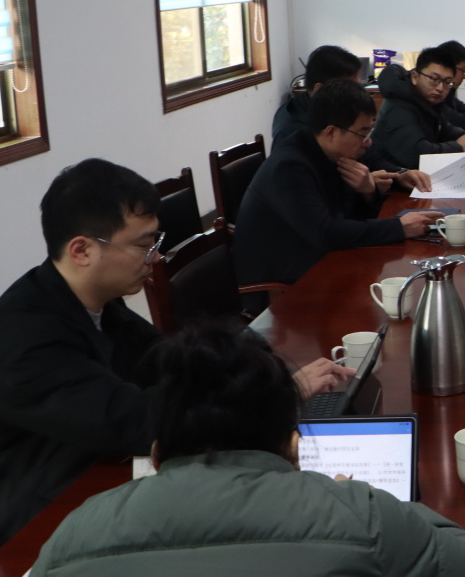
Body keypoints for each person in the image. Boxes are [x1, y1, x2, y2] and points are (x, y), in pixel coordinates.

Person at [0, 160, 350, 544]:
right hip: (36, 512)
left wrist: (263, 376)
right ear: (82, 250)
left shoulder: (98, 300)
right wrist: (271, 400)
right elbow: (136, 419)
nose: (155, 257)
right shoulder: (22, 338)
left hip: (97, 470)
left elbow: (174, 360)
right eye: (142, 245)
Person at [31, 322, 465, 576]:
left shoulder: (73, 536)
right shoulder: (361, 516)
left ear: (155, 455)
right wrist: (374, 501)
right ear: (292, 447)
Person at [235, 79, 441, 286]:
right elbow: (326, 234)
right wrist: (399, 227)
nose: (368, 142)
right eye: (362, 133)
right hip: (282, 281)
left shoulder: (332, 152)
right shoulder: (289, 166)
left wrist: (368, 192)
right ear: (331, 132)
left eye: (370, 131)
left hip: (318, 259)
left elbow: (348, 220)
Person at [273, 44, 430, 192]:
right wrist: (366, 187)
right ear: (320, 90)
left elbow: (368, 155)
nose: (356, 96)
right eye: (348, 89)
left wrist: (399, 174)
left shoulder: (340, 115)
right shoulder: (293, 132)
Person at [375, 47, 465, 168]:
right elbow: (417, 155)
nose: (440, 88)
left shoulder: (426, 100)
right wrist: (458, 147)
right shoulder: (398, 105)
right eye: (434, 79)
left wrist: (464, 136)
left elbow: (444, 128)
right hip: (392, 176)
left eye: (447, 82)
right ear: (415, 77)